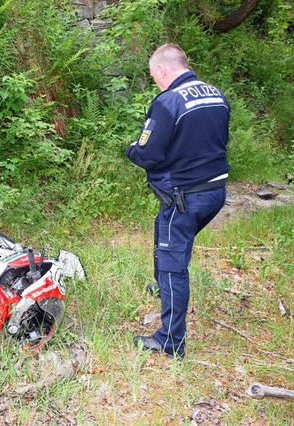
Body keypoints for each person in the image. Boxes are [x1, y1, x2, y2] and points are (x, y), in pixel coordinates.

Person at [126, 44, 230, 359]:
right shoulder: (216, 94)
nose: (156, 82)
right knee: (166, 232)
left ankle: (170, 342)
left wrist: (132, 148)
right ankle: (162, 285)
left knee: (174, 262)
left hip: (185, 196)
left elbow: (148, 154)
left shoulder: (168, 101)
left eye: (154, 76)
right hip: (215, 192)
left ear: (161, 71)